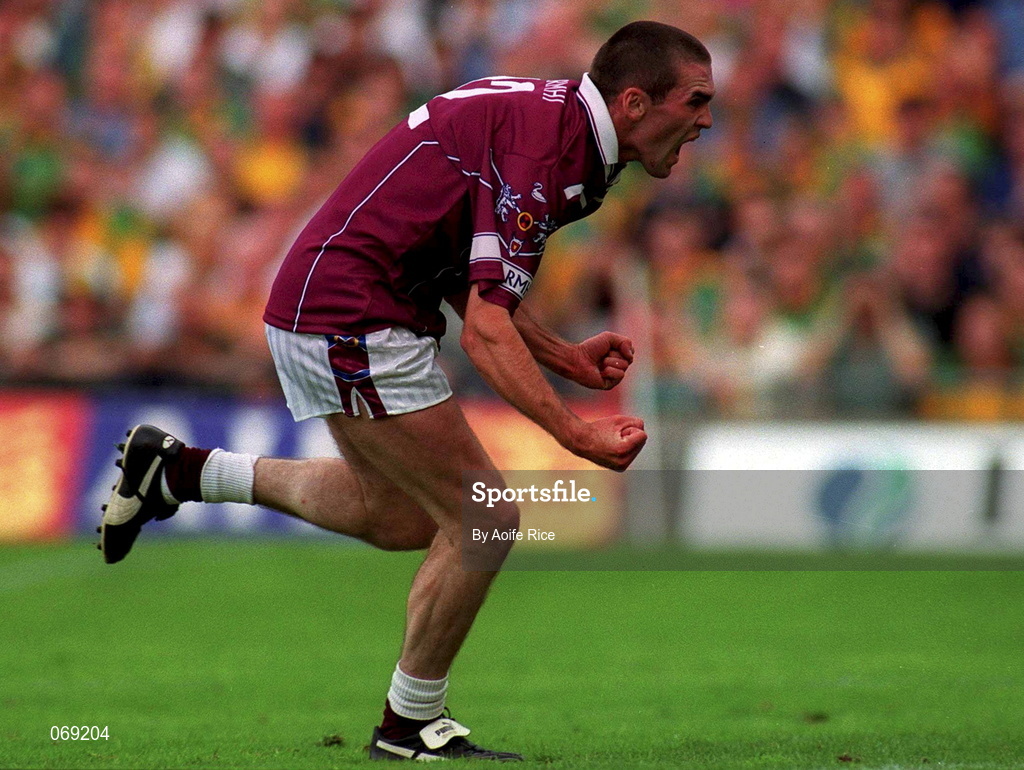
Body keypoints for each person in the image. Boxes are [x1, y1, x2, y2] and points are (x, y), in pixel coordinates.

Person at [99, 20, 714, 762]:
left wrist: (564, 356)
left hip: (349, 301)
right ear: (637, 103)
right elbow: (486, 332)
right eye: (696, 101)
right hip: (351, 309)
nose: (707, 120)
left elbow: (467, 267)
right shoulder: (549, 150)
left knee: (396, 516)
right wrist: (575, 431)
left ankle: (180, 471)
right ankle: (409, 724)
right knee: (484, 515)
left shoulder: (566, 131)